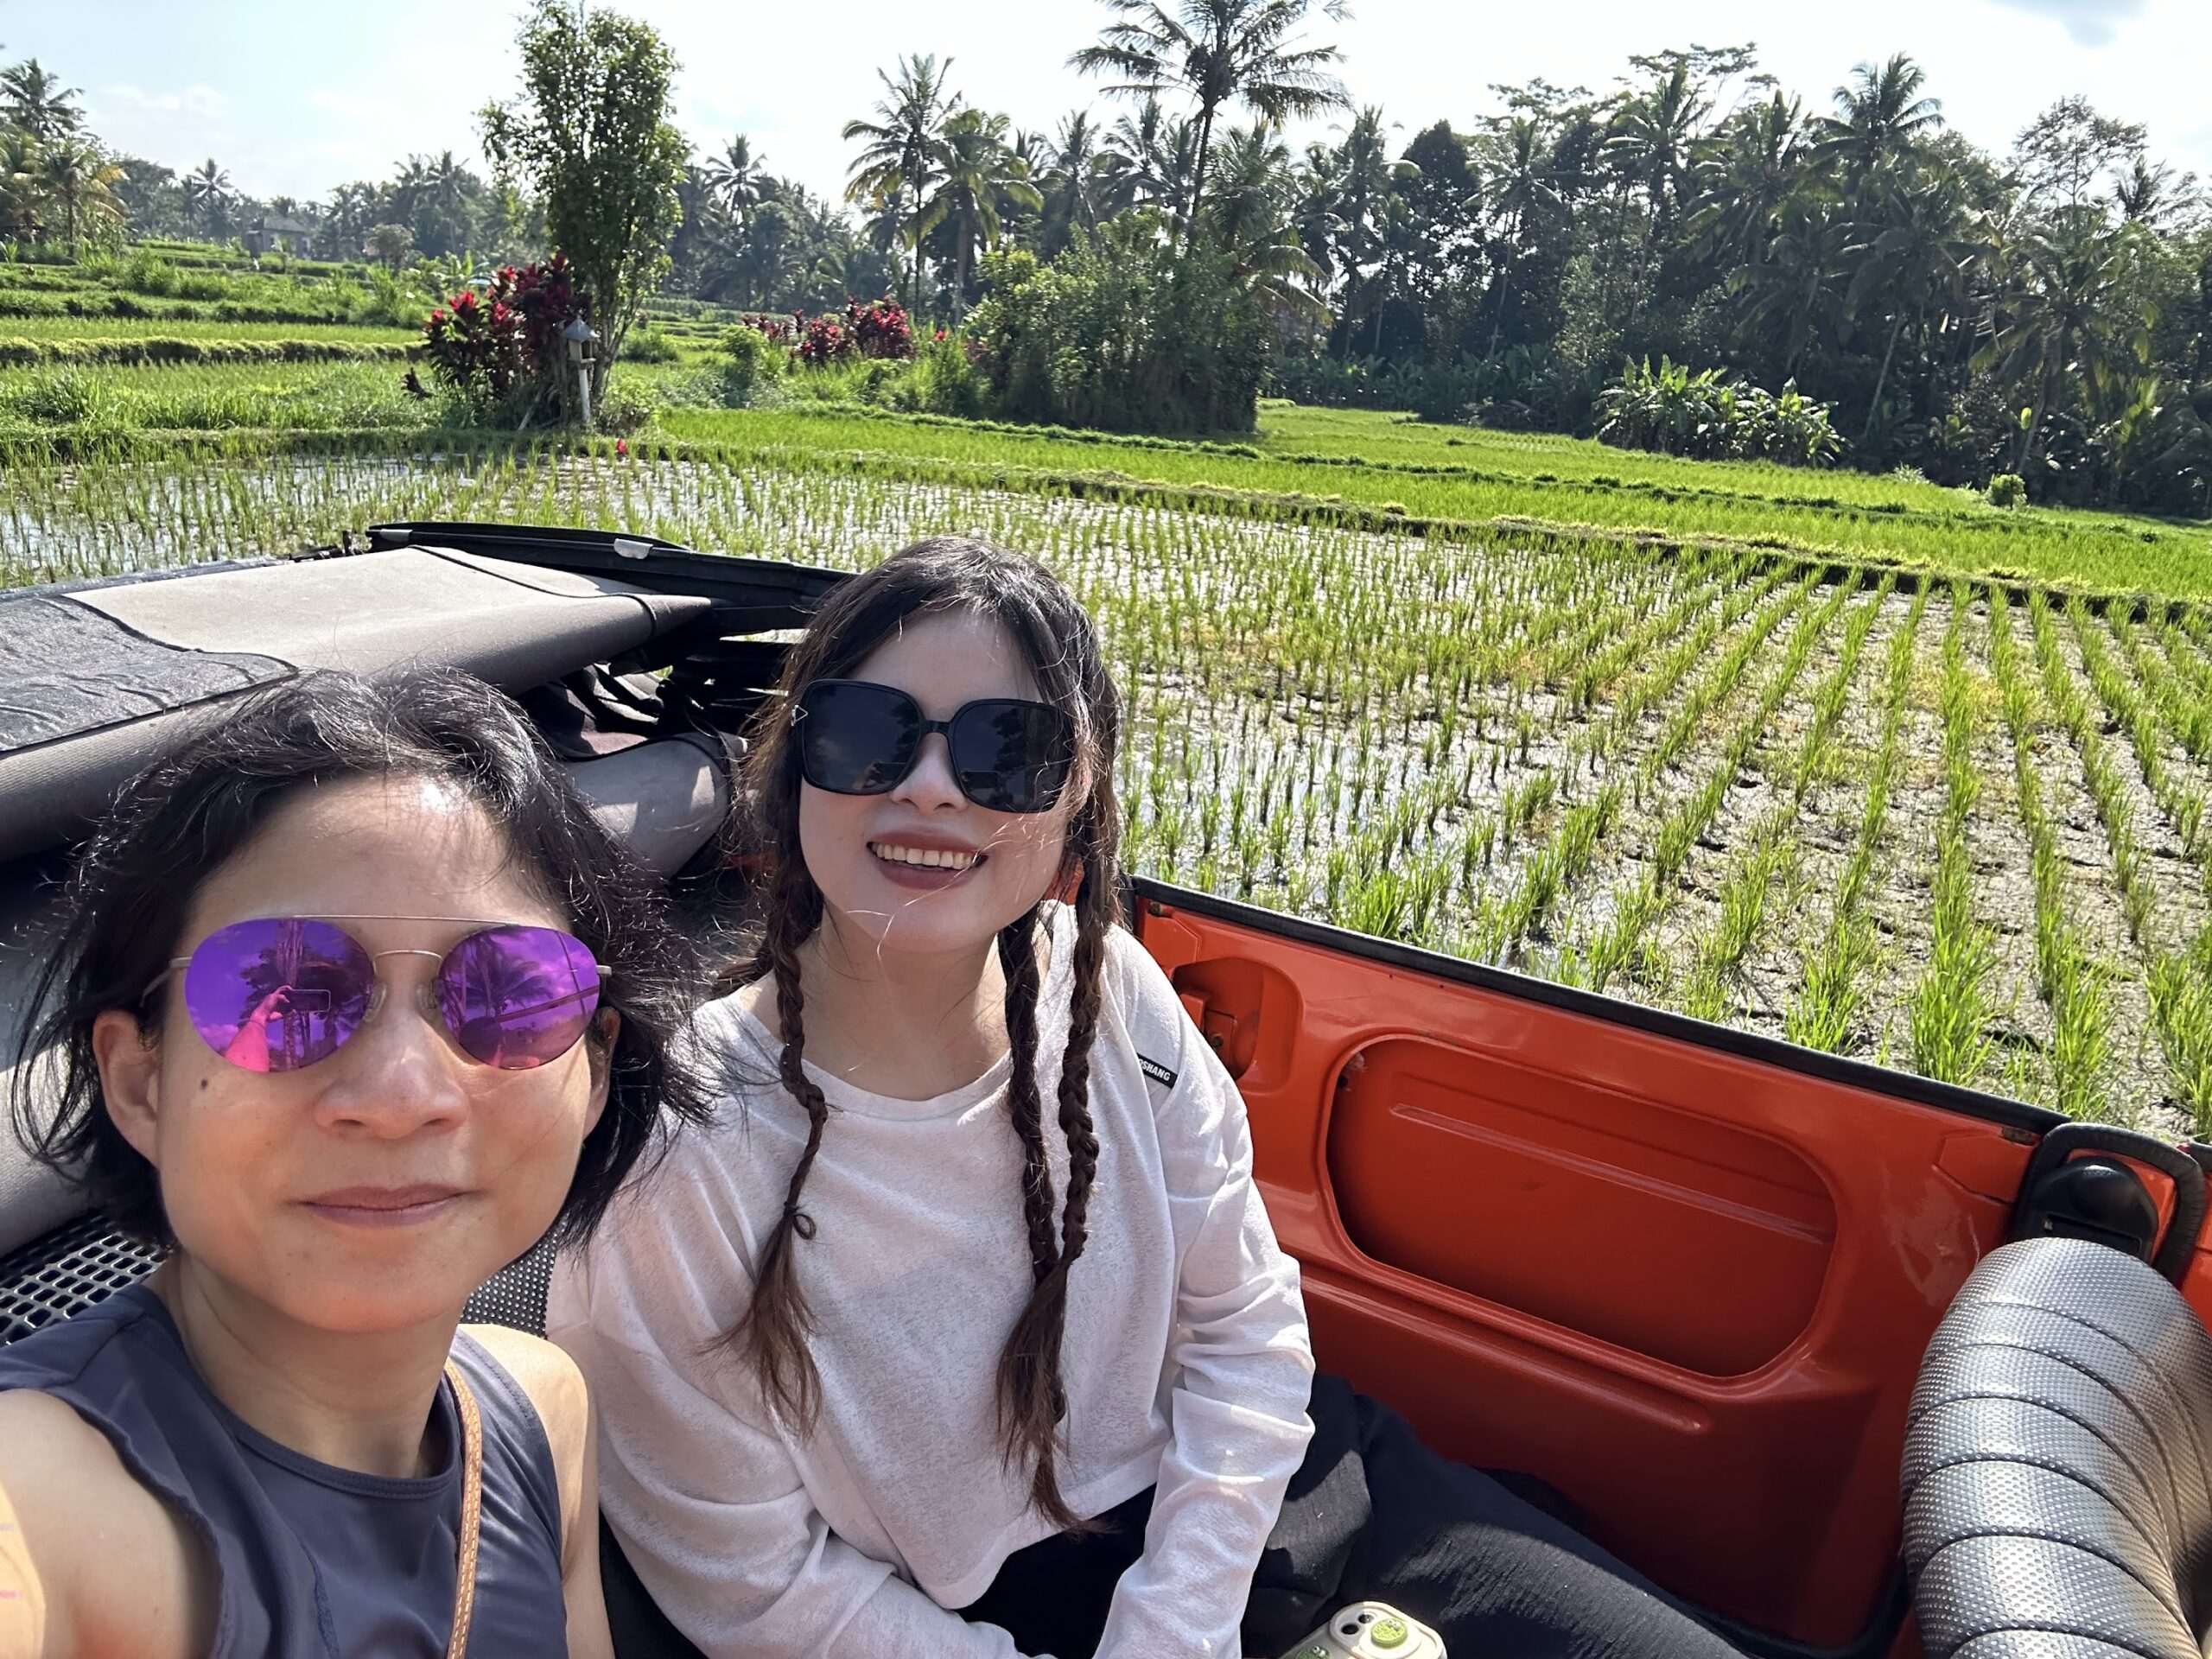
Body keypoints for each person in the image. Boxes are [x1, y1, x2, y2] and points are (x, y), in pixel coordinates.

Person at [552, 537, 1746, 1659]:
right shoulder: (686, 1147)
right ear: (792, 762)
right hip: (996, 1624)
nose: (928, 787)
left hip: (1252, 1494)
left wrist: (1179, 1618)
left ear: (1078, 789)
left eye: (1002, 750)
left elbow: (1244, 1321)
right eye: (869, 733)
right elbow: (756, 1590)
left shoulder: (1106, 984)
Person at [0, 668, 708, 1659]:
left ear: (593, 1071)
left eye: (504, 994)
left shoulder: (540, 1407)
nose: (399, 1093)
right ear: (139, 1082)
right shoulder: (43, 1497)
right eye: (282, 994)